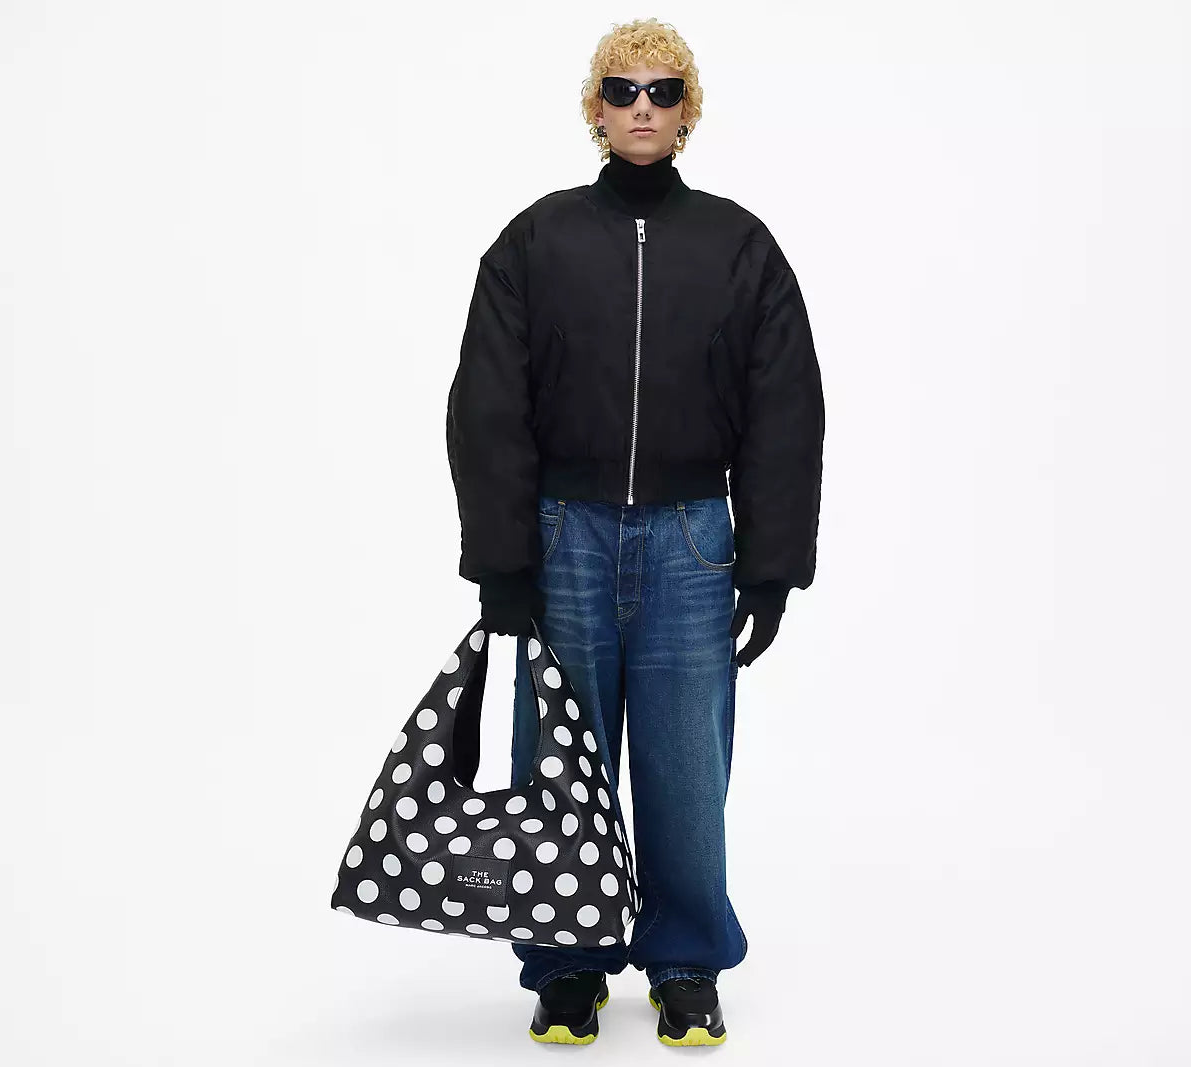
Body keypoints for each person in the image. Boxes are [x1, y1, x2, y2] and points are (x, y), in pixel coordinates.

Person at [445, 17, 824, 1046]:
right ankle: (565, 963)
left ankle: (685, 961)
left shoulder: (740, 246)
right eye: (622, 90)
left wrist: (771, 566)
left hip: (692, 541)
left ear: (687, 110)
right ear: (595, 109)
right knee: (558, 761)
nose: (642, 107)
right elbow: (487, 403)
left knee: (685, 768)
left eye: (662, 90)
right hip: (563, 535)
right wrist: (501, 564)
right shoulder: (536, 240)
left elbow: (784, 407)